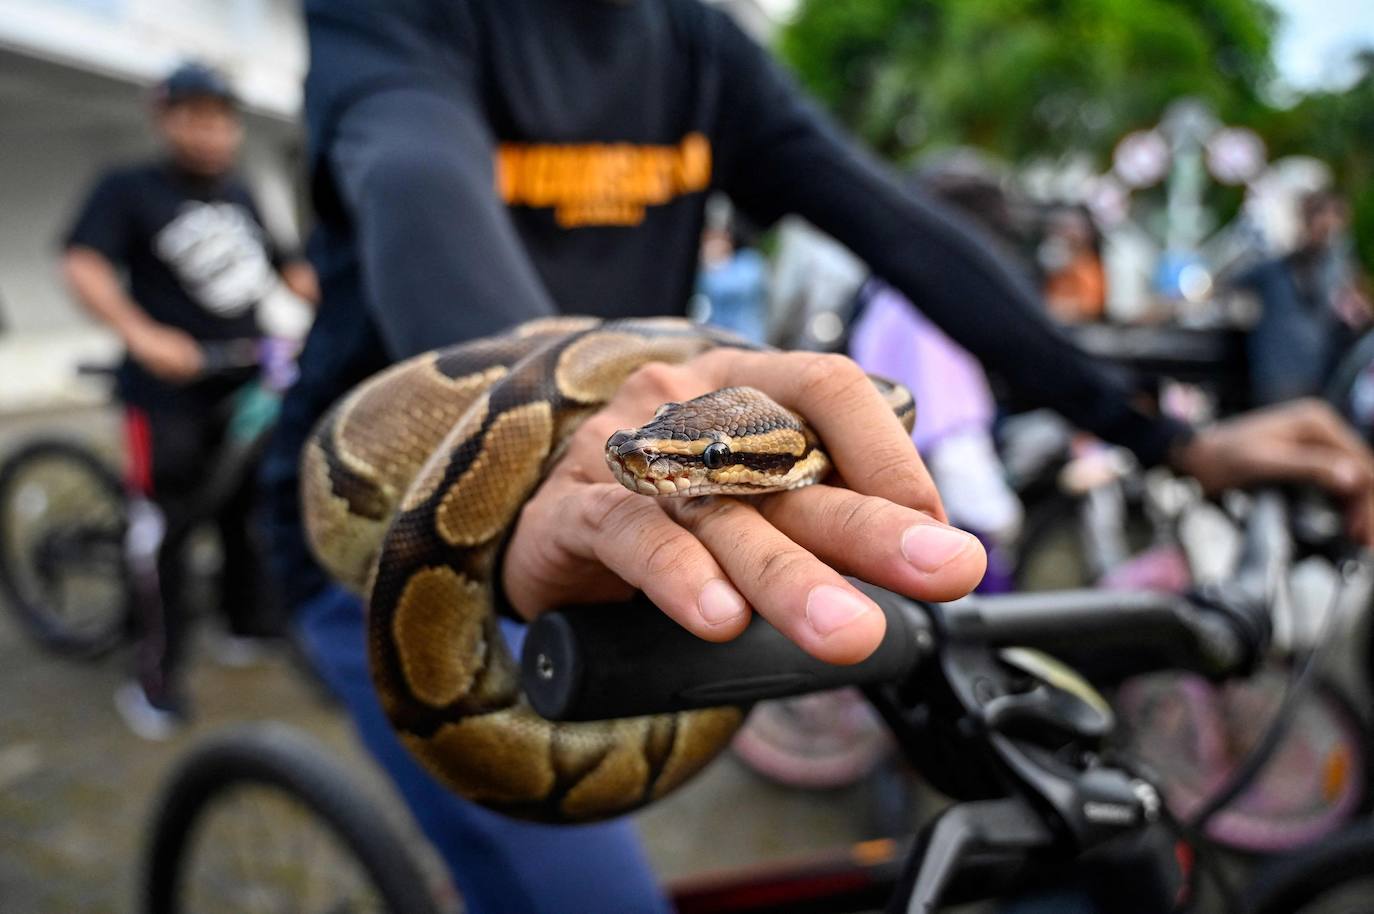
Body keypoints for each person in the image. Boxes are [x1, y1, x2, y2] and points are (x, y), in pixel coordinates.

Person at [260, 3, 1374, 912]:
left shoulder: (692, 43)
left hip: (643, 479)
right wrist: (551, 435)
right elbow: (413, 176)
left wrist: (1164, 436)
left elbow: (897, 222)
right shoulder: (396, 16)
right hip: (392, 536)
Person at [61, 61, 319, 739]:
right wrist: (142, 335)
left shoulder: (239, 194)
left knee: (246, 509)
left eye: (221, 117)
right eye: (196, 116)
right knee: (166, 531)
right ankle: (154, 678)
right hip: (164, 394)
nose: (211, 131)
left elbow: (290, 270)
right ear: (164, 117)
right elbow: (81, 263)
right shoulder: (128, 189)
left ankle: (246, 622)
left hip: (244, 381)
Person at [1241, 189, 1372, 405]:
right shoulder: (1275, 266)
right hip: (1277, 376)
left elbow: (1357, 313)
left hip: (1320, 377)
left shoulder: (1338, 268)